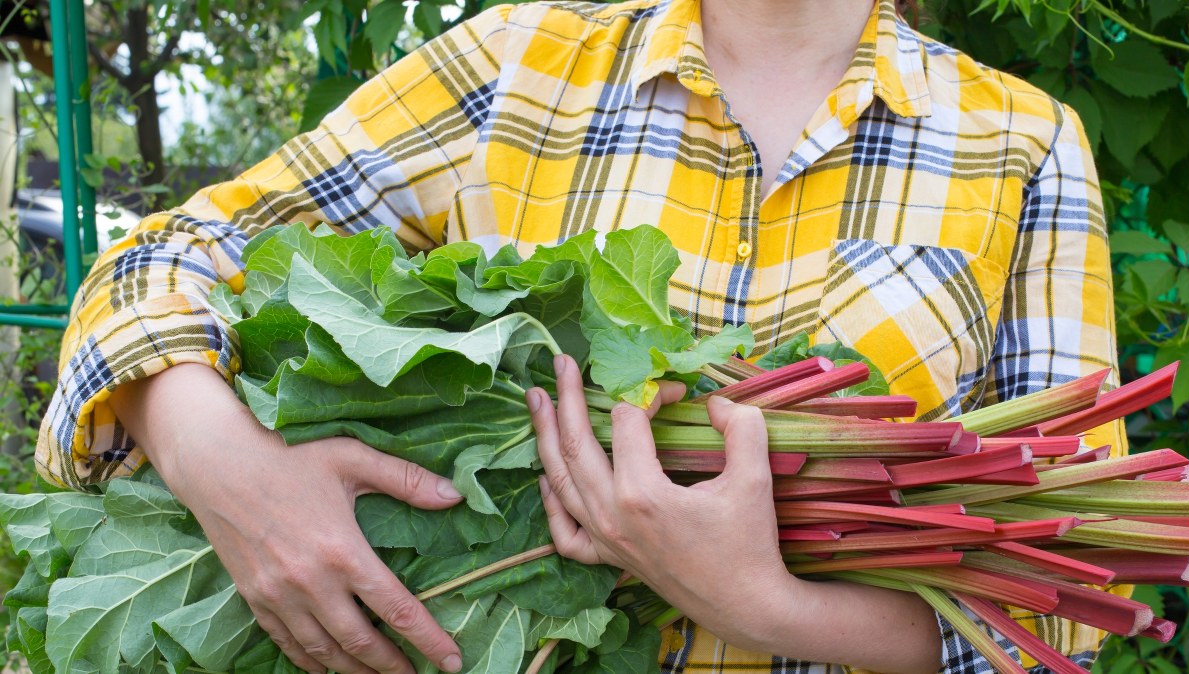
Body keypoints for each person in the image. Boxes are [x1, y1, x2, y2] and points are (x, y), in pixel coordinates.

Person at [36, 0, 1127, 672]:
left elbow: (1068, 596)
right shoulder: (517, 68)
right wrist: (226, 466)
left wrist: (763, 603)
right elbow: (163, 256)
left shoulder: (1021, 145)